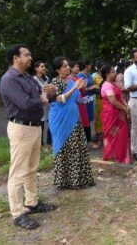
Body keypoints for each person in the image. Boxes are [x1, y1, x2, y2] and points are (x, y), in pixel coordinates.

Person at [0, 43, 57, 230]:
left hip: (34, 127)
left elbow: (42, 97)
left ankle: (31, 203)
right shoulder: (9, 79)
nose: (30, 58)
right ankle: (17, 213)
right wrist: (42, 100)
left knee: (32, 168)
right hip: (21, 128)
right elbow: (25, 103)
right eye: (27, 55)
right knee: (18, 171)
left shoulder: (27, 78)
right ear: (16, 58)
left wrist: (49, 94)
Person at [49, 57, 95, 190]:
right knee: (64, 149)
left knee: (78, 148)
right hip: (60, 120)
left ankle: (79, 179)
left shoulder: (70, 81)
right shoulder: (54, 83)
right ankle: (64, 181)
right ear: (57, 70)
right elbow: (59, 100)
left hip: (74, 118)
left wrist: (82, 94)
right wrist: (74, 87)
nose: (68, 68)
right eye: (64, 66)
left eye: (68, 65)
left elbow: (74, 100)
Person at [100, 64, 132, 164]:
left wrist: (126, 106)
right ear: (107, 74)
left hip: (119, 113)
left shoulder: (114, 84)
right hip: (112, 114)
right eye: (113, 72)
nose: (115, 73)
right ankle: (113, 157)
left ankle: (122, 157)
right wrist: (125, 109)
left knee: (121, 136)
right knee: (112, 136)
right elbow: (113, 101)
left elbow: (121, 97)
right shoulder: (107, 85)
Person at [77, 59, 99, 149]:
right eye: (90, 65)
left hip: (90, 99)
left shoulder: (89, 75)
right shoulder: (79, 76)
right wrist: (90, 88)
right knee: (82, 120)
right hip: (82, 100)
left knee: (89, 119)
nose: (91, 66)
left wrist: (94, 88)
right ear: (86, 65)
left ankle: (88, 139)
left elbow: (92, 86)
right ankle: (83, 140)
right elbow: (79, 89)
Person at [68, 61, 90, 141]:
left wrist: (84, 86)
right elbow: (71, 92)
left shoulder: (78, 78)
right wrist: (79, 87)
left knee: (83, 120)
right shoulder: (69, 79)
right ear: (71, 68)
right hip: (75, 102)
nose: (77, 68)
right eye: (75, 66)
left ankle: (83, 140)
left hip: (81, 101)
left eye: (77, 66)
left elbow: (83, 92)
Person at [33, 61, 52, 147]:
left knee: (50, 124)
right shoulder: (34, 80)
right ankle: (41, 145)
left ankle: (49, 142)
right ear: (36, 69)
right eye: (41, 66)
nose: (44, 68)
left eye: (44, 66)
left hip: (48, 105)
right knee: (41, 126)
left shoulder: (47, 78)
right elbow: (34, 93)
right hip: (40, 106)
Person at [92, 60, 105, 146]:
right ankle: (99, 136)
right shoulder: (94, 76)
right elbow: (92, 88)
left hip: (105, 99)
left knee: (105, 117)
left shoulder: (105, 75)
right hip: (98, 99)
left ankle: (105, 136)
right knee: (98, 118)